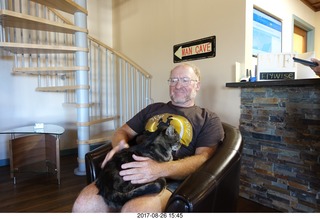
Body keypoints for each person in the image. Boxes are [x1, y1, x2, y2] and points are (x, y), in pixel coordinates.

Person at [72, 62, 224, 212]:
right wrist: (120, 146)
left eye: (185, 80)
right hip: (130, 166)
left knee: (134, 210)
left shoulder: (208, 119)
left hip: (168, 177)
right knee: (84, 203)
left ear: (197, 85)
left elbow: (202, 159)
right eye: (173, 80)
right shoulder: (153, 108)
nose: (178, 86)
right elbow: (122, 131)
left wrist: (159, 169)